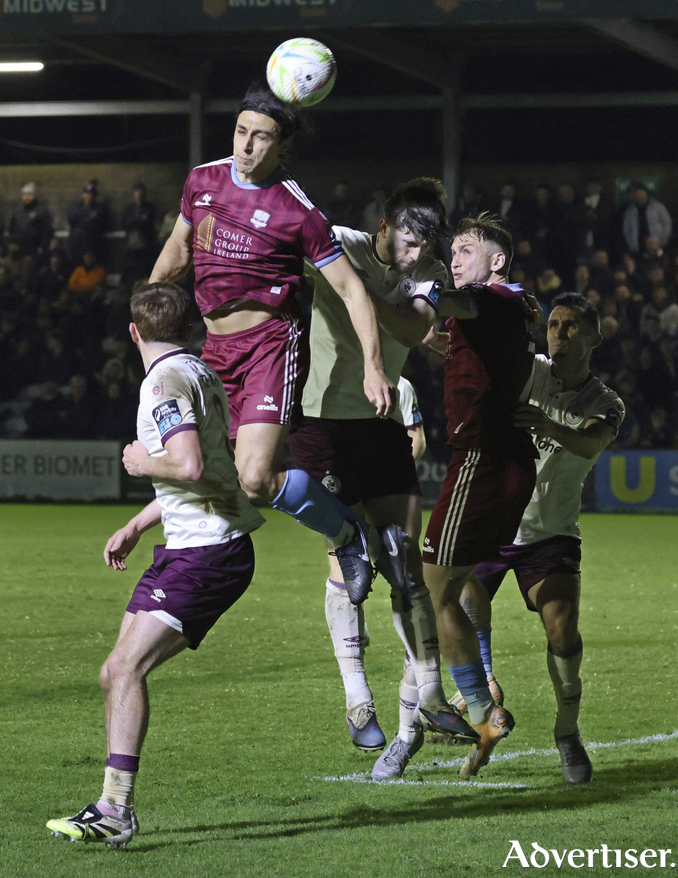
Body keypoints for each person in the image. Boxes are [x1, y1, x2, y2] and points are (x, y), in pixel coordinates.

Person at [149, 86, 395, 600]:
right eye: (241, 132)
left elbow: (352, 290)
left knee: (256, 477)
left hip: (269, 346)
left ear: (281, 147)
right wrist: (149, 318)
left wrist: (374, 366)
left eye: (261, 138)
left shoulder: (298, 211)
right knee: (226, 475)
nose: (247, 146)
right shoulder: (203, 181)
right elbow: (178, 248)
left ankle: (346, 535)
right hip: (212, 351)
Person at [46, 282, 265, 847]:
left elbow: (188, 464)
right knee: (113, 670)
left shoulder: (162, 383)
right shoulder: (198, 372)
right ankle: (112, 804)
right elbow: (209, 466)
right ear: (189, 331)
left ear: (134, 333)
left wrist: (143, 462)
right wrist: (138, 525)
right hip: (189, 546)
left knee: (124, 669)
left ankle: (115, 810)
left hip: (208, 553)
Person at [289, 178, 477, 777]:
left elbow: (406, 328)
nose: (415, 250)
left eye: (426, 241)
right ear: (385, 223)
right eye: (408, 235)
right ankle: (355, 697)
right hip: (322, 421)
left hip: (382, 421)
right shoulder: (337, 242)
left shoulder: (426, 277)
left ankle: (426, 693)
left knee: (402, 558)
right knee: (347, 567)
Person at [468, 293, 624, 783]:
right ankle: (481, 690)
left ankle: (567, 732)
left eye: (572, 325)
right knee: (458, 594)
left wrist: (550, 425)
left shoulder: (606, 402)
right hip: (498, 520)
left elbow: (590, 441)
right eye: (554, 324)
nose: (559, 332)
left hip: (551, 533)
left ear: (596, 337)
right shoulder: (529, 369)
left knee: (562, 632)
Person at [421, 212, 539, 779]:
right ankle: (481, 689)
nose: (455, 258)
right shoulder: (508, 308)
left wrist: (417, 283)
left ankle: (477, 704)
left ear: (496, 260)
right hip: (506, 462)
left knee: (432, 587)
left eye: (467, 249)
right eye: (453, 252)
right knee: (465, 580)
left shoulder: (491, 299)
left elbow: (459, 304)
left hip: (480, 460)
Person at [8, 182, 53, 257]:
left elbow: (47, 231)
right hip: (19, 250)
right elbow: (11, 229)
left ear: (35, 195)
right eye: (25, 195)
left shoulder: (42, 211)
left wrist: (42, 247)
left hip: (35, 250)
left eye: (29, 195)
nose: (27, 197)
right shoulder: (17, 212)